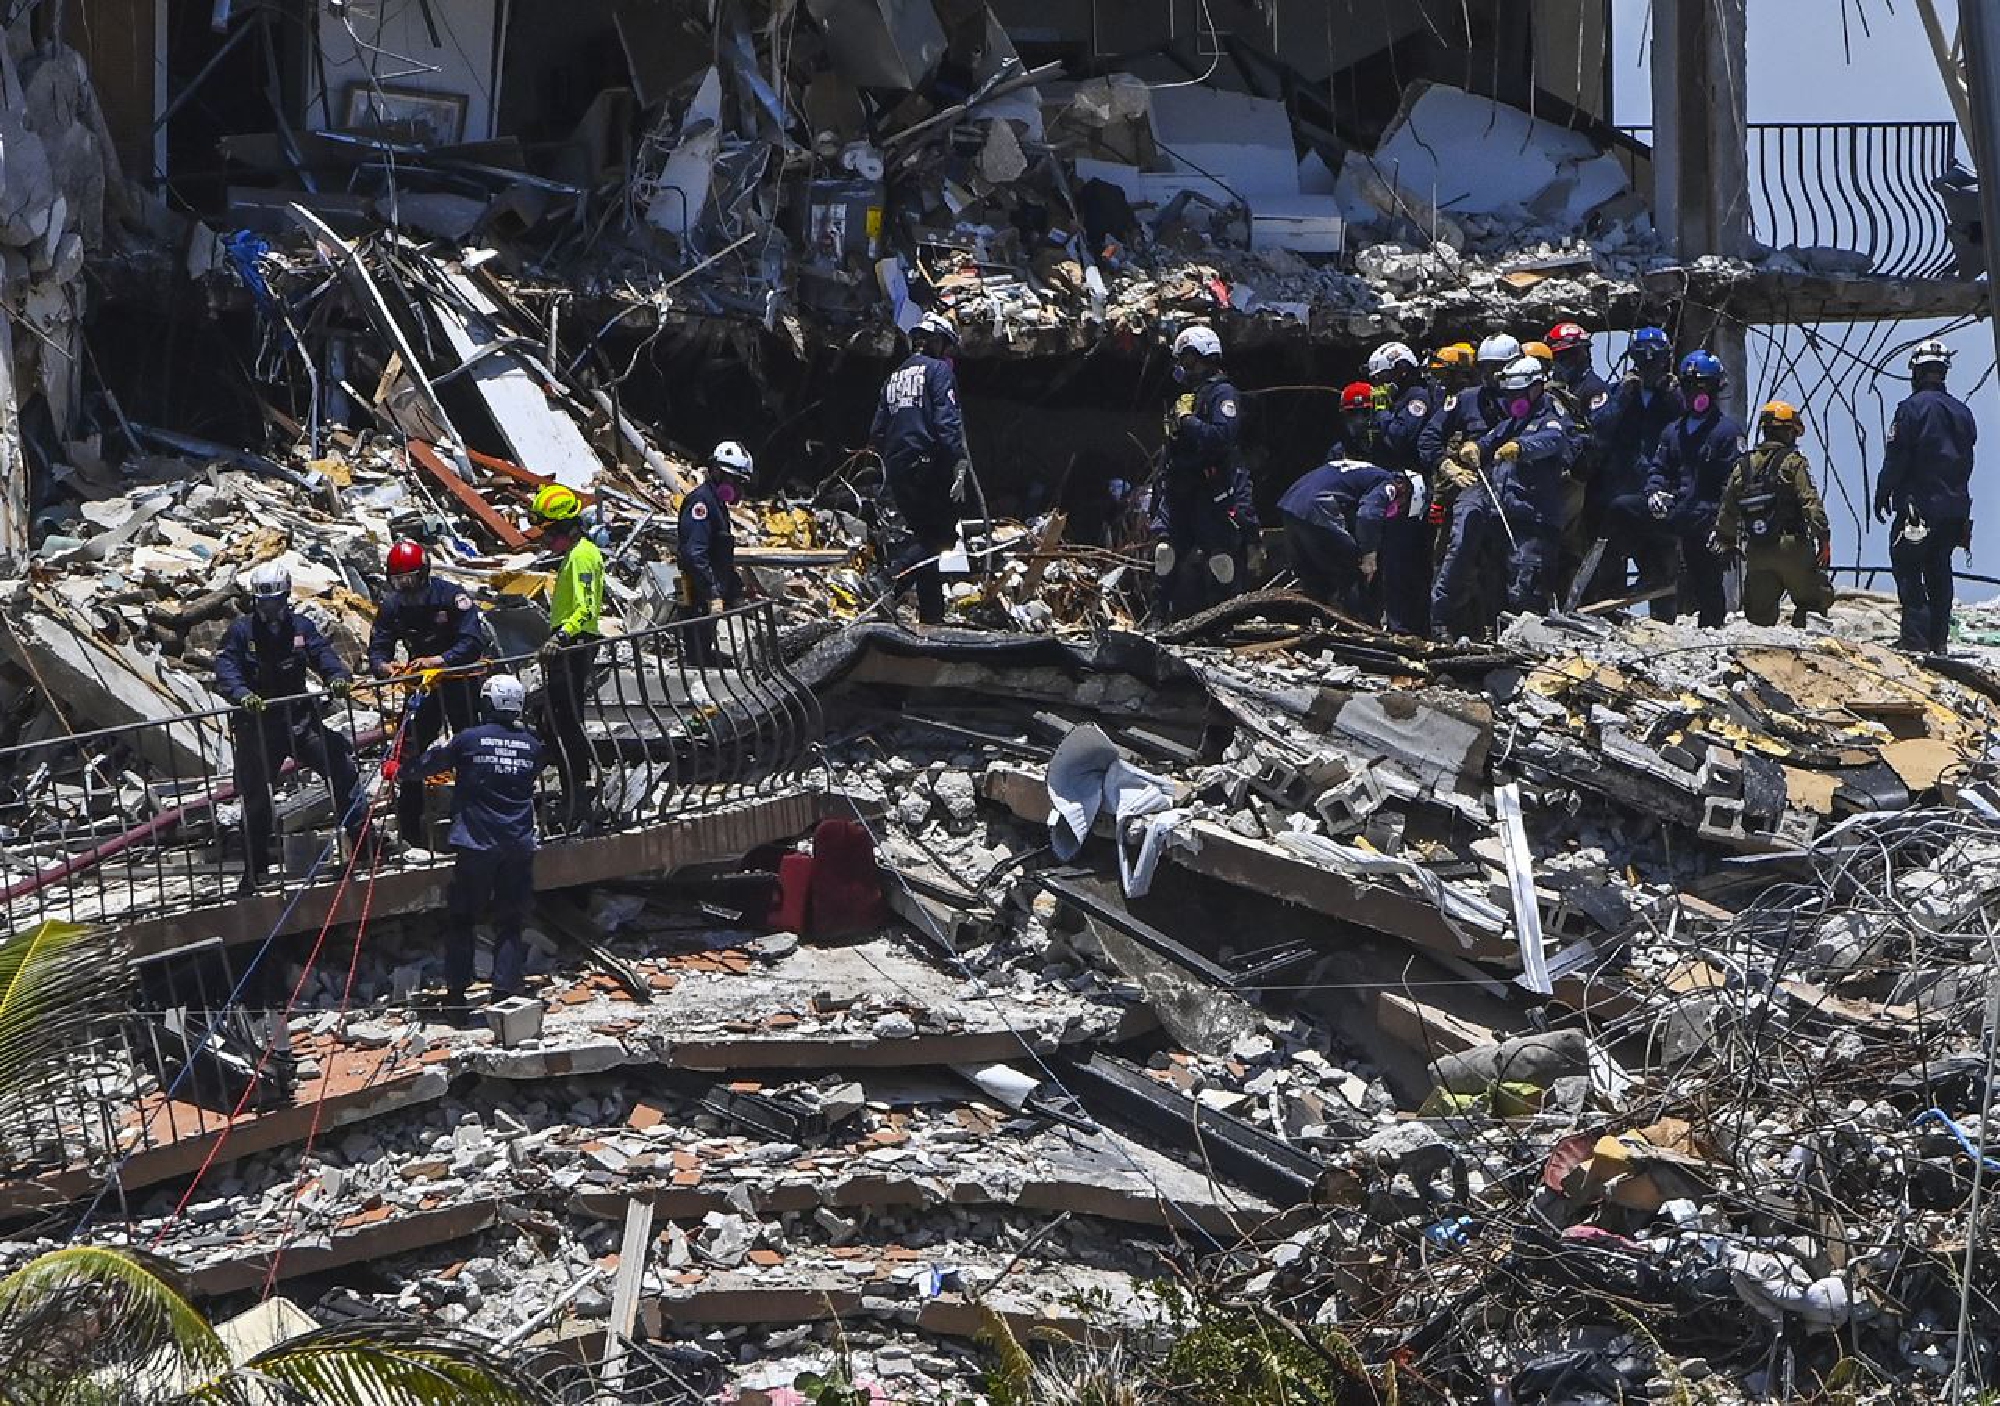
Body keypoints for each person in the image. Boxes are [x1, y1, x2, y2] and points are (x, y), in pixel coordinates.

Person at [215, 563, 362, 893]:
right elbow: (226, 669)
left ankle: (361, 842)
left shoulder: (300, 627)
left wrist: (336, 677)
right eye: (263, 604)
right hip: (259, 727)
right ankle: (254, 871)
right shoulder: (241, 631)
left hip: (300, 722)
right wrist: (242, 695)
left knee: (341, 764)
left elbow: (323, 654)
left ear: (285, 599)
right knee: (256, 798)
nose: (270, 611)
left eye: (275, 603)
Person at [414, 673, 542, 1021]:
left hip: (475, 843)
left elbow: (428, 766)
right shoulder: (532, 746)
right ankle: (503, 997)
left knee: (461, 919)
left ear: (487, 703)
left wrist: (399, 767)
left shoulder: (469, 739)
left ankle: (456, 998)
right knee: (510, 921)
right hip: (517, 844)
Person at [368, 539, 486, 850]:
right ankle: (410, 831)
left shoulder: (451, 597)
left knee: (470, 749)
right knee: (409, 750)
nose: (405, 587)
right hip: (424, 689)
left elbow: (473, 641)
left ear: (424, 574)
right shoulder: (394, 606)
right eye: (398, 581)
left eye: (410, 580)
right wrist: (385, 667)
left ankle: (473, 821)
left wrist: (438, 661)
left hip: (461, 681)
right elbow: (378, 648)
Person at [1877, 338, 1977, 654]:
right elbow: (1966, 461)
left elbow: (1897, 458)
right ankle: (1938, 642)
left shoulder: (1910, 410)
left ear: (1916, 372)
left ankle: (1915, 641)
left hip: (1917, 508)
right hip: (1954, 510)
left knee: (1908, 566)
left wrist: (1883, 491)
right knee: (1939, 568)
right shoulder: (1963, 412)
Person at [870, 310, 969, 624]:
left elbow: (877, 431)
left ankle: (932, 617)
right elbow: (947, 422)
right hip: (928, 463)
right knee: (938, 539)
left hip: (897, 469)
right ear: (937, 342)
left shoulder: (893, 377)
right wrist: (958, 464)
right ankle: (888, 580)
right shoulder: (938, 371)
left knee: (922, 538)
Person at [1153, 324, 1253, 620]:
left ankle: (1226, 617)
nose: (1183, 367)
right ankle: (1159, 615)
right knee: (1164, 552)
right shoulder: (1187, 397)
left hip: (1209, 489)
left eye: (1188, 360)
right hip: (1177, 487)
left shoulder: (1223, 394)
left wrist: (1188, 422)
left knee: (1220, 558)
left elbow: (1223, 437)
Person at [1423, 333, 1519, 640]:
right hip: (1474, 484)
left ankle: (1508, 628)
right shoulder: (1466, 400)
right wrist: (1446, 465)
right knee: (1461, 543)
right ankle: (1441, 623)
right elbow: (1428, 437)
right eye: (1486, 368)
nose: (1492, 376)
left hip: (1517, 487)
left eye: (1499, 368)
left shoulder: (1529, 399)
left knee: (1511, 557)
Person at [1646, 350, 1746, 628]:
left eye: (1703, 387)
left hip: (1709, 520)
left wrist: (1727, 527)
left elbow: (1736, 483)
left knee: (1707, 580)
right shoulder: (1672, 432)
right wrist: (1654, 491)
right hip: (1677, 518)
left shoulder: (1727, 432)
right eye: (1689, 387)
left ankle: (1711, 630)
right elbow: (1659, 469)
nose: (1695, 395)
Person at [1714, 401, 1834, 627]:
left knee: (1759, 616)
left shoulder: (1743, 466)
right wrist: (1823, 538)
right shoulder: (1792, 462)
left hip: (1758, 551)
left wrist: (1726, 541)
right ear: (1789, 431)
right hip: (1792, 548)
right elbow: (1810, 502)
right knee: (1813, 602)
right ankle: (1806, 652)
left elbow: (1727, 509)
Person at [1590, 326, 1684, 605]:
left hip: (1662, 487)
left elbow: (1690, 431)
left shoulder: (1677, 395)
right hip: (1622, 485)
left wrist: (1674, 397)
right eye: (1644, 361)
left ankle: (1667, 620)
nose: (1650, 368)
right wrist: (1622, 398)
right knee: (1612, 557)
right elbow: (1599, 428)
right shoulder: (1620, 391)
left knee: (1662, 560)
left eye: (1655, 362)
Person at [1484, 355, 1580, 615]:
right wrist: (1474, 448)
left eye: (1517, 394)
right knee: (1499, 585)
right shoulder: (1515, 422)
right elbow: (1491, 439)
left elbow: (1552, 440)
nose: (1512, 401)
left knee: (1526, 586)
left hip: (1536, 519)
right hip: (1508, 516)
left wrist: (1521, 447)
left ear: (1535, 389)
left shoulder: (1549, 415)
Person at [534, 483, 604, 832]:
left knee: (566, 720)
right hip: (568, 643)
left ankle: (579, 787)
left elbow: (587, 606)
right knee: (556, 719)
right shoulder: (574, 555)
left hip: (574, 644)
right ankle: (570, 785)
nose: (546, 541)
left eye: (549, 534)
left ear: (565, 528)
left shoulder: (583, 557)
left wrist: (561, 636)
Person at [1277, 459, 1411, 617]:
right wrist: (1369, 553)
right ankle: (1359, 627)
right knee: (1353, 570)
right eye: (1401, 504)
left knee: (1313, 578)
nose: (1395, 507)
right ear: (1403, 486)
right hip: (1318, 508)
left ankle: (1314, 623)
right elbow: (1367, 515)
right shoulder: (1388, 483)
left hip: (1291, 505)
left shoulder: (1364, 470)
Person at [679, 441, 751, 664]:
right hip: (695, 589)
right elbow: (695, 553)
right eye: (734, 480)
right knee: (697, 651)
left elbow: (719, 555)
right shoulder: (701, 503)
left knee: (706, 646)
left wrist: (735, 589)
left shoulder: (717, 505)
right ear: (717, 471)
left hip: (707, 591)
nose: (737, 488)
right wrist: (712, 593)